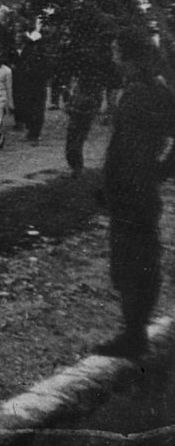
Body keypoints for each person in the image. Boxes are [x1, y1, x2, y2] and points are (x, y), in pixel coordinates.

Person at [94, 30, 175, 358]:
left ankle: (134, 335)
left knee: (133, 261)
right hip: (131, 189)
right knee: (136, 259)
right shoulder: (152, 90)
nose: (113, 58)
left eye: (116, 52)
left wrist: (159, 171)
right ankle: (134, 332)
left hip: (134, 191)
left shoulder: (146, 92)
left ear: (128, 57)